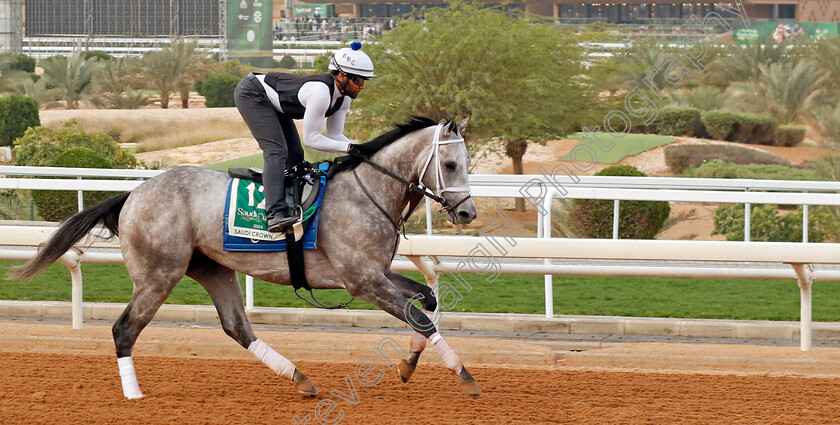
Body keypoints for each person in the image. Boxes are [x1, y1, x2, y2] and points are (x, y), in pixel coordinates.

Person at [234, 41, 375, 232]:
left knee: (295, 154)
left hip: (274, 102)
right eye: (359, 80)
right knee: (277, 151)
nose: (363, 87)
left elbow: (335, 135)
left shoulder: (344, 99)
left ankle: (292, 203)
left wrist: (364, 148)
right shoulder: (321, 93)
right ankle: (275, 214)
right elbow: (312, 139)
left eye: (365, 81)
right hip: (253, 93)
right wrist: (350, 148)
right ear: (342, 76)